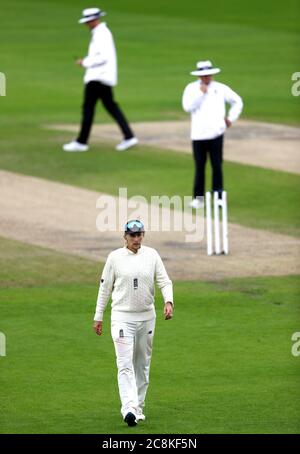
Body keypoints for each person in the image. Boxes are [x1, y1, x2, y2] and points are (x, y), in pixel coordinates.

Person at [93, 220, 174, 427]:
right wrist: (98, 315)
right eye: (133, 236)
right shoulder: (115, 258)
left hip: (147, 317)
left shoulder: (152, 255)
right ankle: (128, 407)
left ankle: (138, 407)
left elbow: (164, 280)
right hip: (122, 318)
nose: (137, 239)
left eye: (140, 235)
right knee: (125, 363)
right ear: (125, 237)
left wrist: (168, 301)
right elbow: (105, 288)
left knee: (142, 364)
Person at [63, 7, 138, 153]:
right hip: (101, 77)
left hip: (98, 78)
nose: (87, 24)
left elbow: (103, 57)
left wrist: (85, 62)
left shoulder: (101, 34)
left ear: (93, 20)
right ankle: (129, 136)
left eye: (88, 21)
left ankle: (81, 142)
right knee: (110, 107)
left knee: (89, 109)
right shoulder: (100, 33)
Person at [182, 60, 243, 209]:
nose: (206, 78)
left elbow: (237, 101)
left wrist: (230, 118)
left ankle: (218, 198)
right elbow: (187, 107)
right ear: (199, 76)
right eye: (203, 75)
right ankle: (198, 198)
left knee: (217, 166)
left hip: (216, 133)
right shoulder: (191, 89)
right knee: (200, 166)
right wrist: (200, 94)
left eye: (208, 75)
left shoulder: (220, 88)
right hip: (198, 135)